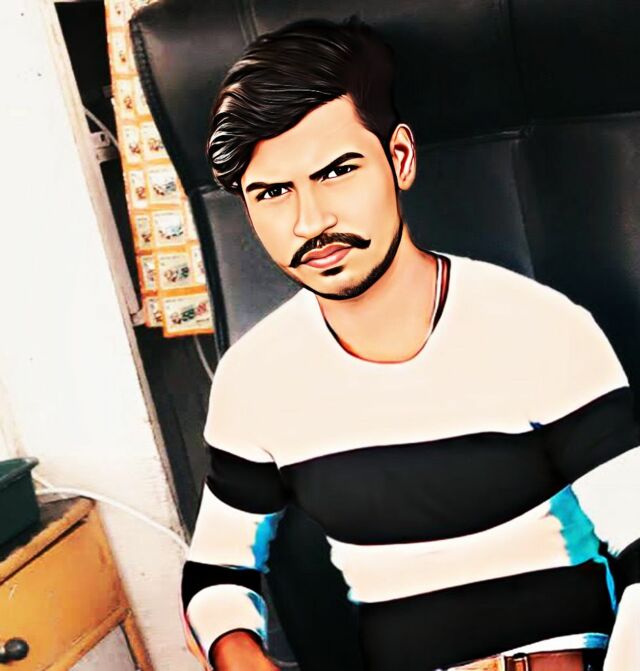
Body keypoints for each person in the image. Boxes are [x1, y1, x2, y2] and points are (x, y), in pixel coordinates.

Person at [180, 17, 640, 671]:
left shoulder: (540, 328)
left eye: (337, 171)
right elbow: (217, 569)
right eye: (274, 192)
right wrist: (238, 652)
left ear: (399, 158)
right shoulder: (254, 378)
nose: (311, 220)